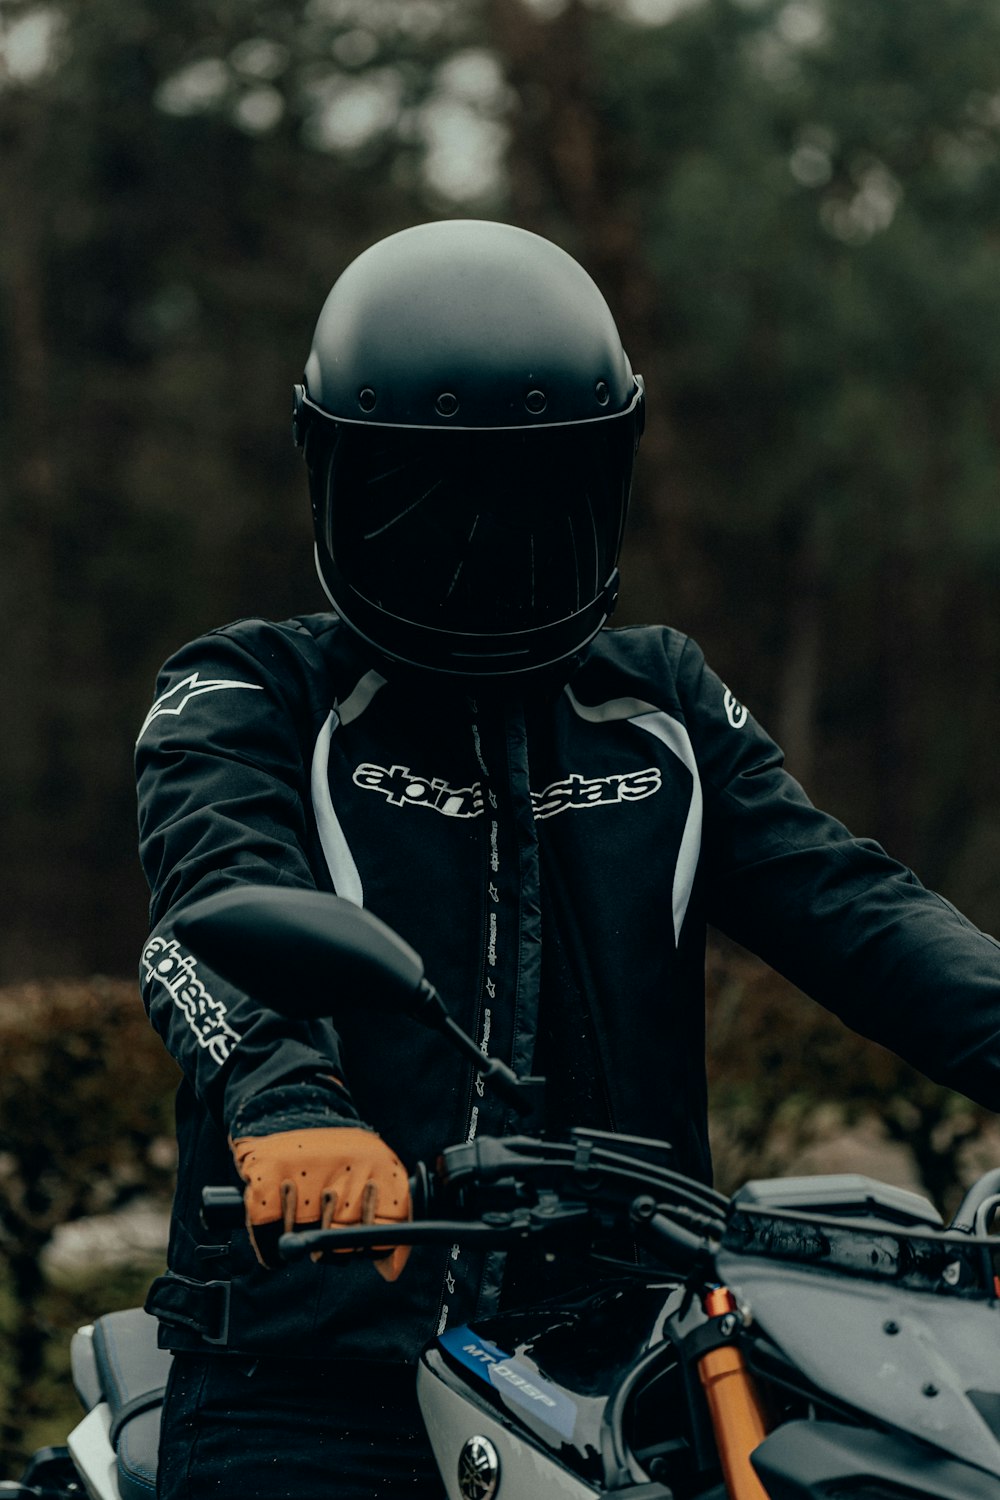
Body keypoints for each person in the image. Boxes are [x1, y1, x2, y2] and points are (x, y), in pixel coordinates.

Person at [136, 218, 1000, 1499]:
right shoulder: (245, 687)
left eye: (536, 494)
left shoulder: (661, 705)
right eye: (434, 496)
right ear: (335, 473)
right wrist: (291, 1106)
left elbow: (855, 906)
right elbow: (209, 904)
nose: (484, 540)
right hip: (312, 1380)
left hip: (628, 1367)